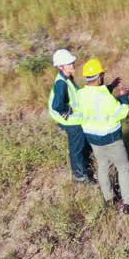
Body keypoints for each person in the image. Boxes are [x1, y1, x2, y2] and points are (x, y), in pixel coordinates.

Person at [76, 58, 129, 213]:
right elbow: (122, 113)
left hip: (93, 139)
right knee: (123, 168)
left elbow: (96, 97)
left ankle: (109, 198)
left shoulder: (80, 94)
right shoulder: (105, 98)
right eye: (102, 74)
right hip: (111, 139)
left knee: (103, 166)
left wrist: (111, 86)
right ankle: (128, 202)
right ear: (99, 76)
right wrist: (124, 96)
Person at [48, 49, 90, 183]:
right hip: (71, 121)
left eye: (72, 62)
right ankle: (80, 176)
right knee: (76, 148)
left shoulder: (67, 78)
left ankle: (83, 167)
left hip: (74, 119)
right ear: (61, 66)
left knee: (80, 145)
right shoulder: (61, 83)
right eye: (69, 63)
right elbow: (57, 105)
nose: (72, 65)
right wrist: (69, 110)